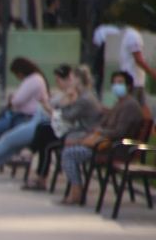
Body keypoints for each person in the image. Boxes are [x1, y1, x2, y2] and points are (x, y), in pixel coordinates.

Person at [59, 71, 148, 206]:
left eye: (120, 83)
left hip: (115, 149)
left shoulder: (130, 105)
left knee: (69, 154)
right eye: (114, 83)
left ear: (129, 86)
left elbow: (120, 132)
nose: (116, 86)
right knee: (70, 146)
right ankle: (76, 190)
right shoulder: (120, 103)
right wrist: (96, 130)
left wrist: (99, 131)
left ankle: (76, 192)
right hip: (107, 145)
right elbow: (104, 124)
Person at [22, 64, 101, 190]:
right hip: (75, 130)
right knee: (43, 128)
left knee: (46, 141)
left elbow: (67, 116)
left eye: (73, 78)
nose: (71, 81)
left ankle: (37, 168)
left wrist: (66, 100)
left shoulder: (84, 98)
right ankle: (34, 159)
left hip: (82, 134)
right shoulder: (82, 95)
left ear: (78, 80)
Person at [119, 24, 155, 95]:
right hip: (134, 81)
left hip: (134, 81)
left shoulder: (129, 34)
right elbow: (139, 59)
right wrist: (152, 72)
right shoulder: (134, 36)